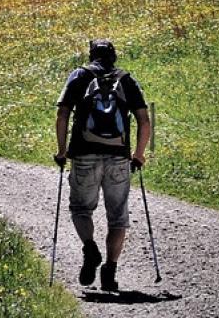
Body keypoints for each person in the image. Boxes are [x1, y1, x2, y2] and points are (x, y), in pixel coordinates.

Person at [54, 39, 152, 293]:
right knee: (117, 216)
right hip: (119, 157)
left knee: (80, 208)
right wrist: (138, 154)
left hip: (84, 155)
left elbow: (63, 113)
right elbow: (143, 119)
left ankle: (90, 248)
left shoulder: (79, 76)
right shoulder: (126, 80)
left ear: (91, 55)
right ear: (114, 57)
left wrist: (62, 151)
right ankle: (110, 270)